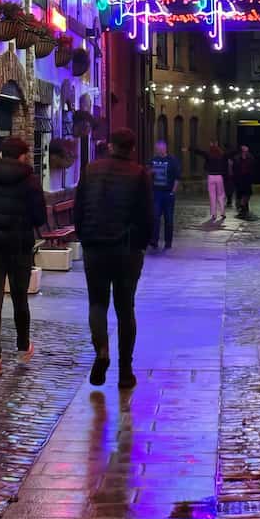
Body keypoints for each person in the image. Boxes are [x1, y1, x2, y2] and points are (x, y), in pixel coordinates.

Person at [75, 128, 153, 390]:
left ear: (110, 145)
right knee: (125, 308)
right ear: (132, 148)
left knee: (97, 304)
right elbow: (146, 215)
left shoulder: (90, 170)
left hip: (95, 247)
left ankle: (102, 351)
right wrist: (141, 245)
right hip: (126, 250)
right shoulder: (139, 173)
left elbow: (78, 208)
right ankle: (126, 372)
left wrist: (85, 238)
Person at [0, 136, 47, 377]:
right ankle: (23, 347)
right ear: (22, 155)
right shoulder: (30, 182)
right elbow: (39, 218)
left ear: (1, 154)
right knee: (19, 298)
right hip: (20, 248)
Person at [148, 139, 181, 250]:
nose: (158, 150)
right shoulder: (153, 160)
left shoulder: (172, 160)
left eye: (160, 148)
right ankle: (154, 240)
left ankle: (168, 242)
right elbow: (147, 174)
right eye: (157, 148)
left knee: (169, 219)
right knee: (155, 217)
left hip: (168, 193)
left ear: (165, 148)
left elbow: (177, 177)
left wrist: (173, 191)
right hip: (156, 193)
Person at [191, 142, 229, 221]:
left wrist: (189, 149)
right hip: (219, 176)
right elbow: (231, 153)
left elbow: (199, 152)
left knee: (212, 196)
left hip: (211, 176)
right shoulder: (222, 155)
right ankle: (222, 212)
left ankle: (214, 214)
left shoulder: (208, 154)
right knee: (221, 195)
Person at [232, 146, 255, 219]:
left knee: (247, 194)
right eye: (244, 151)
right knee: (239, 195)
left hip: (247, 179)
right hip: (239, 179)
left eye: (246, 151)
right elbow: (234, 168)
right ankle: (242, 210)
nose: (245, 152)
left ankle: (244, 209)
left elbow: (253, 168)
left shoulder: (250, 158)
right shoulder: (236, 158)